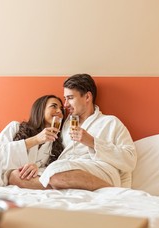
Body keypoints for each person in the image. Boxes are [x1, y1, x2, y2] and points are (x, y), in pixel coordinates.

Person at [8, 74, 137, 191]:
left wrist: (92, 142)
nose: (65, 105)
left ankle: (109, 188)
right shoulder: (64, 124)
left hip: (98, 171)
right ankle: (62, 183)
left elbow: (130, 160)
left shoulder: (110, 122)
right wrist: (36, 166)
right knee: (15, 176)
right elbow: (52, 154)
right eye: (65, 99)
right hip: (64, 170)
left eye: (70, 98)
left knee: (56, 173)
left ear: (87, 97)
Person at [0, 95, 65, 185]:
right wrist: (36, 139)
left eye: (61, 109)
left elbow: (48, 169)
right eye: (54, 106)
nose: (59, 111)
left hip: (27, 181)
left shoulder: (53, 144)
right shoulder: (15, 127)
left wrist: (36, 167)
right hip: (1, 177)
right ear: (40, 109)